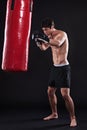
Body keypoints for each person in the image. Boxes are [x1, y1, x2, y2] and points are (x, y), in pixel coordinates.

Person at [32, 18, 77, 127]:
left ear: (52, 27)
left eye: (46, 30)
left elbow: (57, 43)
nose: (45, 32)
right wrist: (38, 42)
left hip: (63, 68)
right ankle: (54, 113)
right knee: (50, 92)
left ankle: (73, 118)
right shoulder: (49, 37)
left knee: (65, 95)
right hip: (55, 68)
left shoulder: (62, 34)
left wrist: (43, 38)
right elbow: (43, 48)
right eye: (43, 30)